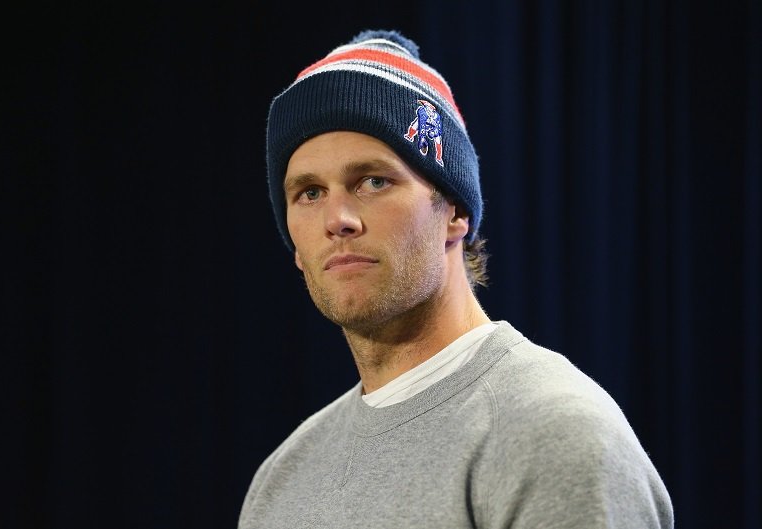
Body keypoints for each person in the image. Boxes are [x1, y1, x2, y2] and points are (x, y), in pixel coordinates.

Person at [238, 29, 674, 528]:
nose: (337, 218)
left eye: (373, 181)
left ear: (455, 212)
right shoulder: (283, 478)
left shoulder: (551, 433)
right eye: (309, 193)